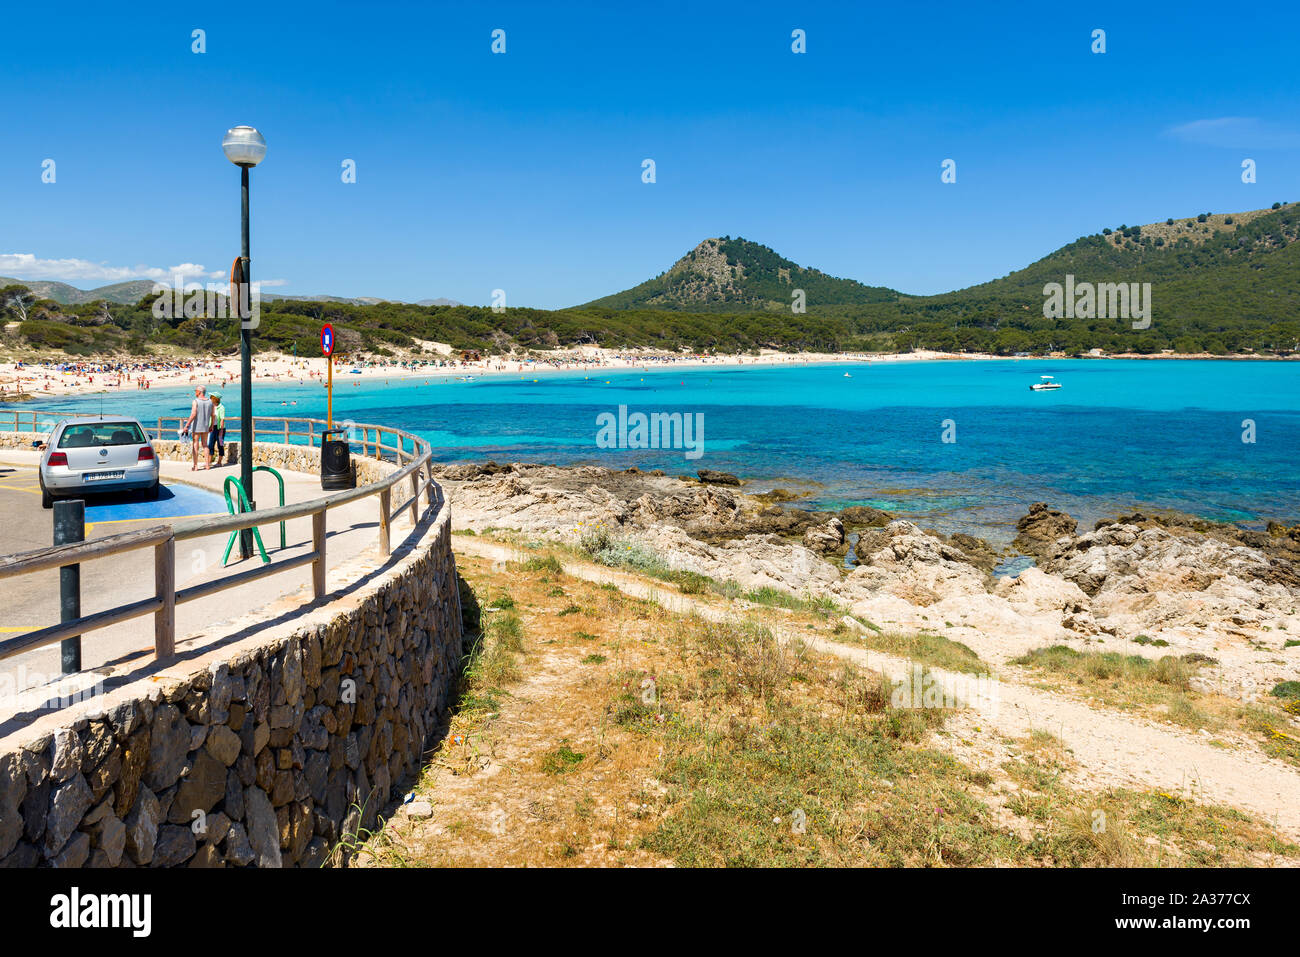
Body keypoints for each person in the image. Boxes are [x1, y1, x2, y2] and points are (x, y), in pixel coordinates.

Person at [183, 385, 213, 470]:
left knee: (195, 444)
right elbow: (213, 414)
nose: (195, 392)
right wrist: (211, 425)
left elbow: (193, 414)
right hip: (206, 426)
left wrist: (187, 425)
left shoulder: (195, 401)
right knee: (205, 445)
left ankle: (195, 466)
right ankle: (207, 465)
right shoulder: (210, 401)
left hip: (196, 426)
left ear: (199, 392)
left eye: (195, 391)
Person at [208, 391, 227, 466]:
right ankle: (209, 462)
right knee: (210, 445)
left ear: (215, 399)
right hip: (213, 428)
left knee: (220, 445)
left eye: (211, 397)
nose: (210, 398)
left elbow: (222, 419)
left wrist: (221, 431)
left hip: (220, 428)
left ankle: (219, 462)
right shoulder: (211, 407)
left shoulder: (221, 407)